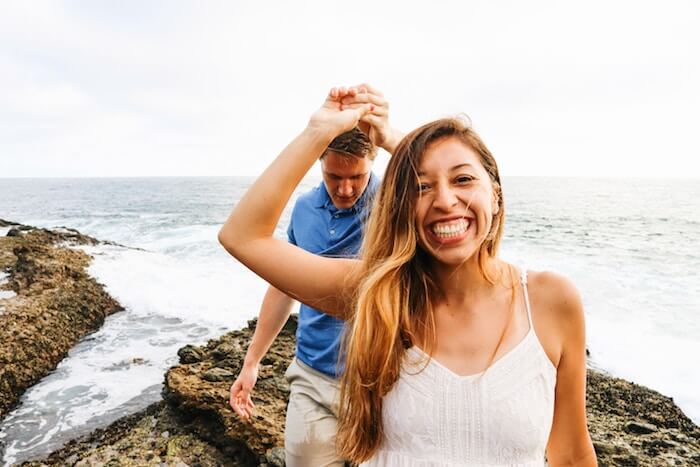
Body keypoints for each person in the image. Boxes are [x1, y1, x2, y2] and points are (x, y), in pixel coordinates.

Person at [219, 86, 597, 466]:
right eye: (422, 186)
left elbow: (572, 455)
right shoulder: (380, 294)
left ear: (496, 195)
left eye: (464, 179)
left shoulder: (550, 301)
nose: (446, 200)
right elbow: (243, 236)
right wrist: (317, 132)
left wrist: (393, 139)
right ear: (402, 206)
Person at [228, 85, 402, 467]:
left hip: (384, 385)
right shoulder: (304, 209)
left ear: (373, 160)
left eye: (356, 176)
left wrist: (391, 137)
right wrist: (252, 361)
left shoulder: (395, 204)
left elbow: (436, 188)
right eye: (333, 176)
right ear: (320, 162)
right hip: (312, 377)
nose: (344, 188)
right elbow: (282, 284)